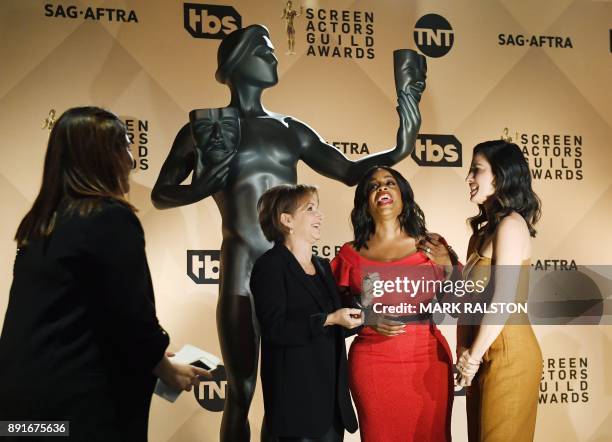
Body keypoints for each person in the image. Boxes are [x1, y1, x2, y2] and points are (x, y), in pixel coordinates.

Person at [151, 24, 425, 442]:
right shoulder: (205, 129)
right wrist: (203, 187)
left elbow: (351, 171)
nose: (275, 56)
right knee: (241, 392)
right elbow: (161, 194)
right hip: (242, 271)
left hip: (291, 275)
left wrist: (404, 136)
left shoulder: (290, 129)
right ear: (238, 60)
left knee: (292, 387)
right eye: (265, 49)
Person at [0, 107, 209, 442]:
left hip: (21, 414)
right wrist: (167, 370)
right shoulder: (110, 219)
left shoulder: (40, 225)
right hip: (80, 411)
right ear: (103, 156)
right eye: (125, 146)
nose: (131, 159)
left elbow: (80, 315)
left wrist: (150, 353)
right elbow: (134, 317)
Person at [331, 166, 456, 442]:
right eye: (373, 186)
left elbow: (461, 303)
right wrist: (367, 316)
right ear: (365, 201)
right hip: (372, 362)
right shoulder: (349, 254)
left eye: (390, 183)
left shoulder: (432, 245)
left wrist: (448, 266)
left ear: (403, 196)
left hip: (427, 359)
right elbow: (333, 314)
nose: (382, 188)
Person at [250, 184, 363, 441]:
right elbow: (275, 329)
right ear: (286, 220)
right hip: (295, 407)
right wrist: (330, 318)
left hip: (331, 408)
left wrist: (355, 318)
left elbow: (329, 330)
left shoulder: (323, 267)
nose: (320, 215)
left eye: (318, 208)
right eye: (310, 209)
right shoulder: (270, 266)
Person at [456, 140, 543, 442]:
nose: (468, 178)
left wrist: (472, 357)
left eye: (476, 170)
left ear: (500, 176)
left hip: (509, 355)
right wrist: (465, 353)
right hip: (479, 354)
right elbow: (467, 302)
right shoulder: (480, 235)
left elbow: (503, 300)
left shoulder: (512, 225)